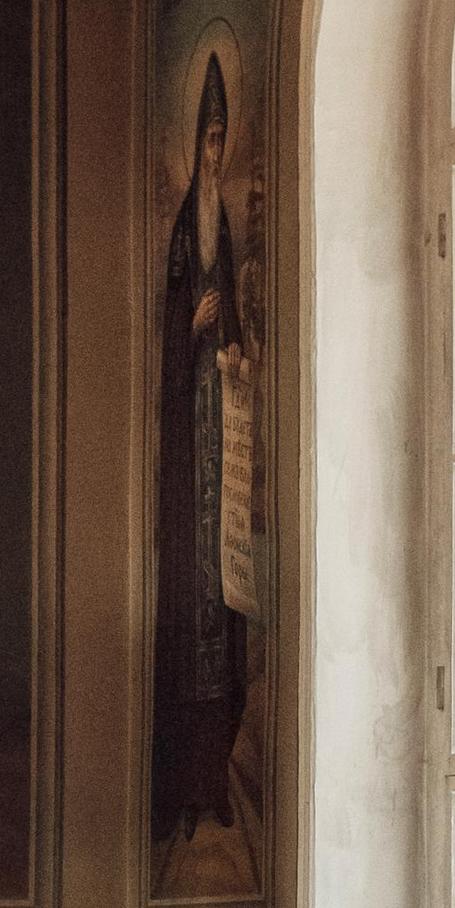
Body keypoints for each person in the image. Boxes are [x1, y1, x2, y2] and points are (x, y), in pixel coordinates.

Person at [149, 49, 251, 844]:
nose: (214, 151)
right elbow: (168, 327)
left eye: (222, 138)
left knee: (228, 609)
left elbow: (240, 314)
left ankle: (216, 780)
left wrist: (236, 349)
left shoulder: (232, 223)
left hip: (228, 426)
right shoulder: (189, 225)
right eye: (206, 139)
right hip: (191, 449)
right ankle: (187, 782)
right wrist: (191, 331)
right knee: (191, 615)